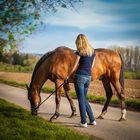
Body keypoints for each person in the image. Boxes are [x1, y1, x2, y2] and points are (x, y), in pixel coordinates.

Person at [74, 34, 96, 128]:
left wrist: (67, 76)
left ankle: (83, 122)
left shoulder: (80, 51)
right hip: (88, 77)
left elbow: (75, 66)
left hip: (79, 76)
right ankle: (92, 120)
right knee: (84, 99)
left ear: (79, 42)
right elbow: (91, 66)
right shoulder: (93, 51)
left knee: (81, 100)